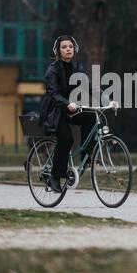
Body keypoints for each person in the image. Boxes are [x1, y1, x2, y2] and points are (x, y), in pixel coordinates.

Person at [41, 35, 96, 193]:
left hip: (70, 108)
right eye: (64, 47)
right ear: (58, 51)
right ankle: (54, 177)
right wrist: (67, 103)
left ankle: (86, 157)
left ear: (75, 49)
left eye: (70, 47)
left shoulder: (77, 68)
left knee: (91, 117)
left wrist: (108, 99)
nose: (68, 49)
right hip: (54, 111)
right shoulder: (52, 69)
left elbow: (90, 86)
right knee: (66, 139)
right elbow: (54, 93)